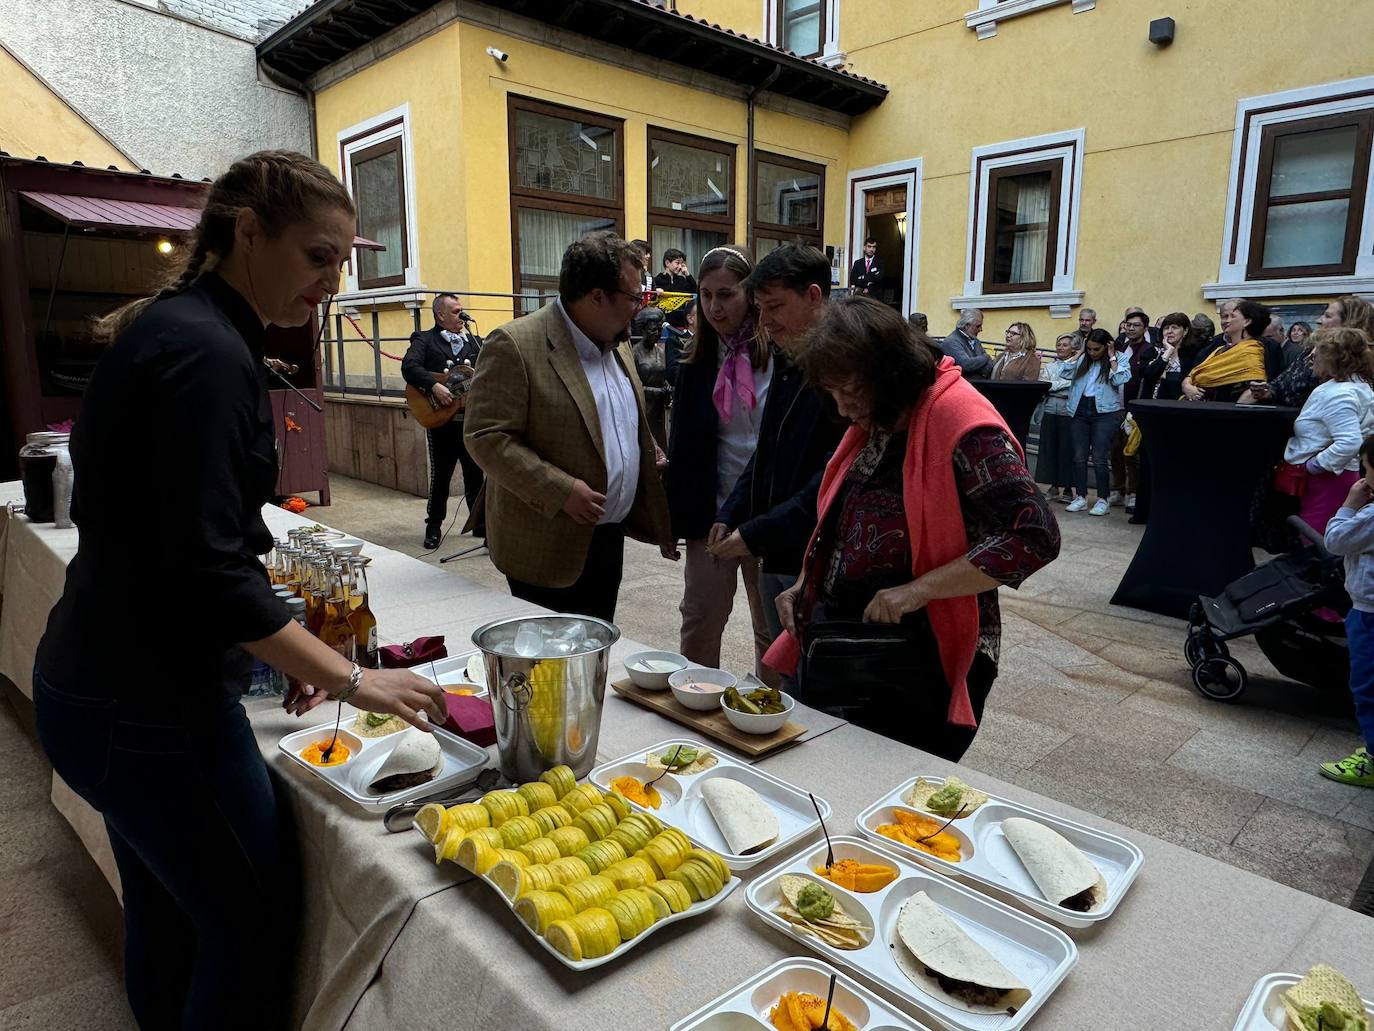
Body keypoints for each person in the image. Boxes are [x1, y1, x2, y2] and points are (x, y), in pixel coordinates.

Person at [32, 151, 447, 1030]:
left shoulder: (182, 327)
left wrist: (271, 638)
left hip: (95, 684)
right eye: (315, 256)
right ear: (246, 232)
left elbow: (186, 532)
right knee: (252, 919)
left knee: (171, 911)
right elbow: (206, 570)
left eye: (341, 262)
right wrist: (350, 677)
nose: (331, 281)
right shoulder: (209, 350)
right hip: (149, 707)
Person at [764, 297, 1059, 760]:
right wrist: (809, 583)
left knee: (885, 796)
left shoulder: (964, 425)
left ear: (887, 372)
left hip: (916, 660)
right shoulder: (886, 415)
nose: (841, 409)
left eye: (849, 390)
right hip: (855, 646)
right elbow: (845, 515)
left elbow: (1034, 536)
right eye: (832, 392)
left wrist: (915, 590)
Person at [464, 231, 672, 622]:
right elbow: (486, 437)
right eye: (633, 297)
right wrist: (560, 491)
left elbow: (613, 415)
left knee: (594, 654)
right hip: (545, 542)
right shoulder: (516, 344)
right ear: (597, 296)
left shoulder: (618, 341)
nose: (639, 308)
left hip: (607, 537)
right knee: (548, 672)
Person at [710, 243, 845, 648]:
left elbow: (833, 479)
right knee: (780, 666)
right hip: (779, 549)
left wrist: (753, 534)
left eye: (775, 307)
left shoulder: (846, 366)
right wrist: (732, 511)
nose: (763, 322)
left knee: (812, 682)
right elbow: (766, 451)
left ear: (814, 296)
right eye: (760, 309)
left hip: (819, 554)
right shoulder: (789, 357)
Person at [664, 245, 777, 682]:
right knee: (700, 618)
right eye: (706, 295)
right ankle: (697, 699)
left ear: (750, 294)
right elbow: (685, 447)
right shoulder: (694, 365)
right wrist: (674, 520)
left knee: (770, 625)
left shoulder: (781, 360)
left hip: (768, 514)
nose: (714, 307)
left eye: (726, 294)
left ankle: (766, 708)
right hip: (711, 514)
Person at [402, 292, 485, 549]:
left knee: (475, 476)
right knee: (441, 477)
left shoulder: (475, 342)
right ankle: (434, 526)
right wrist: (434, 387)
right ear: (440, 314)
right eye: (455, 311)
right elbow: (410, 366)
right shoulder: (425, 340)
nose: (461, 314)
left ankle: (481, 525)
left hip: (470, 422)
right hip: (442, 423)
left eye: (461, 310)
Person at [1279, 327, 1374, 534]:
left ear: (1333, 357)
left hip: (1327, 481)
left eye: (1318, 350)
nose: (1312, 355)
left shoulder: (1338, 393)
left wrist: (1312, 466)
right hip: (1336, 477)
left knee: (1317, 541)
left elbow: (1349, 442)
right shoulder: (1357, 385)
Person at [1319, 438, 1374, 788]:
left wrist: (1349, 504)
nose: (1363, 478)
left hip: (1369, 612)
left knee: (1367, 686)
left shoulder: (1369, 516)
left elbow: (1335, 540)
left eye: (1366, 470)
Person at [1244, 297, 1374, 408]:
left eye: (1327, 316)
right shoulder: (1310, 350)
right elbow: (1282, 383)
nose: (1319, 320)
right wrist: (1267, 391)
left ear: (1348, 322)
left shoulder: (1351, 364)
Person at [1065, 328, 1131, 515]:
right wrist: (1077, 355)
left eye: (1096, 349)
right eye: (1090, 349)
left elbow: (1121, 378)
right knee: (1079, 456)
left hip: (1105, 412)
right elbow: (1063, 371)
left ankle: (1103, 499)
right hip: (1080, 409)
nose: (1092, 353)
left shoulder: (1118, 357)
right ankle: (1081, 497)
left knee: (1100, 457)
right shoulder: (1083, 359)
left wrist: (1111, 357)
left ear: (1107, 345)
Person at [1112, 310, 1159, 510]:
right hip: (1116, 406)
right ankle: (1118, 490)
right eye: (1128, 324)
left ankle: (1133, 493)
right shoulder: (1120, 349)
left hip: (1135, 409)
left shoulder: (1150, 350)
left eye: (1136, 325)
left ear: (1145, 329)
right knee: (1114, 452)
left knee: (1132, 453)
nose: (1131, 328)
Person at [1182, 299, 1272, 402]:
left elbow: (1253, 390)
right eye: (1225, 317)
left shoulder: (1251, 352)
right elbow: (1194, 373)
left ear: (1247, 322)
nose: (1227, 321)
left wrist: (1233, 412)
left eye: (1232, 316)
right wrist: (1187, 385)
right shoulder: (1219, 349)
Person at [1036, 333, 1079, 503]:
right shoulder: (1051, 366)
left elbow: (1074, 385)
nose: (1060, 347)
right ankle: (1053, 486)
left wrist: (1054, 385)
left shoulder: (1078, 366)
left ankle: (1068, 489)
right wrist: (1061, 384)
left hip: (1067, 411)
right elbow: (1044, 385)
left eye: (1065, 345)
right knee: (1049, 448)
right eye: (1058, 344)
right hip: (1049, 410)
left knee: (1066, 449)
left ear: (1073, 348)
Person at [631, 306, 670, 450]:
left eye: (659, 330)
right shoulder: (635, 353)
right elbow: (632, 385)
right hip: (643, 408)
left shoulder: (660, 351)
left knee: (661, 445)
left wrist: (665, 386)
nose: (657, 333)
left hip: (658, 410)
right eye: (653, 330)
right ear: (642, 330)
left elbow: (661, 375)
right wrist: (657, 392)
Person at [1144, 312, 1192, 401]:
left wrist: (1166, 376)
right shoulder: (1152, 351)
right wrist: (1168, 352)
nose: (1169, 331)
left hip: (1180, 406)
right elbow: (1148, 375)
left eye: (1174, 327)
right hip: (1153, 405)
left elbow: (1190, 379)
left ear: (1185, 331)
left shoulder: (1192, 354)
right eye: (1166, 328)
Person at [941, 308, 992, 378]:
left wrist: (980, 366)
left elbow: (989, 364)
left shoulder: (975, 340)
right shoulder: (951, 342)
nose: (981, 329)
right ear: (966, 326)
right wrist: (986, 357)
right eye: (978, 326)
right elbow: (966, 365)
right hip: (963, 386)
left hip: (979, 383)